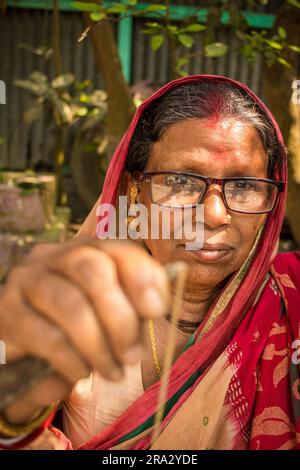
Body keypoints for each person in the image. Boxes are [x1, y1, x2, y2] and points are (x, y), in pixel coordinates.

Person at [0, 74, 299, 450]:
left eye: (244, 186)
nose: (214, 214)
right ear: (133, 190)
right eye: (181, 181)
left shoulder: (291, 305)